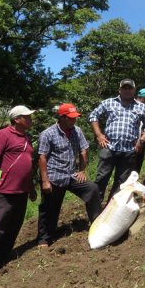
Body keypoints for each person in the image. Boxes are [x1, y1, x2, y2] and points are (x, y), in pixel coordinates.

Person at [0, 105, 38, 286]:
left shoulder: (27, 138)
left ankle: (1, 259)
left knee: (14, 227)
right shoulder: (2, 135)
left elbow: (27, 166)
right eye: (27, 117)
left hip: (21, 191)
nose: (30, 119)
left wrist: (31, 188)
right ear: (17, 119)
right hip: (5, 191)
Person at [38, 104, 101, 247]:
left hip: (72, 175)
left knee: (91, 188)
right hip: (54, 176)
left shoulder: (77, 131)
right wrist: (45, 180)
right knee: (49, 208)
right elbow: (42, 158)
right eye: (71, 118)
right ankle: (44, 238)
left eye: (75, 118)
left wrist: (82, 170)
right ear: (62, 117)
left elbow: (83, 150)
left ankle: (97, 222)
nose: (74, 121)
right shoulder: (48, 134)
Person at [89, 80, 145, 199]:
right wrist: (98, 134)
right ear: (120, 90)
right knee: (101, 178)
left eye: (130, 88)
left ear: (134, 90)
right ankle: (96, 210)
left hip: (129, 151)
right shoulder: (109, 103)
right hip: (109, 147)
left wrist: (142, 140)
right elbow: (93, 116)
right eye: (125, 88)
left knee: (121, 181)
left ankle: (112, 208)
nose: (127, 91)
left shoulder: (141, 107)